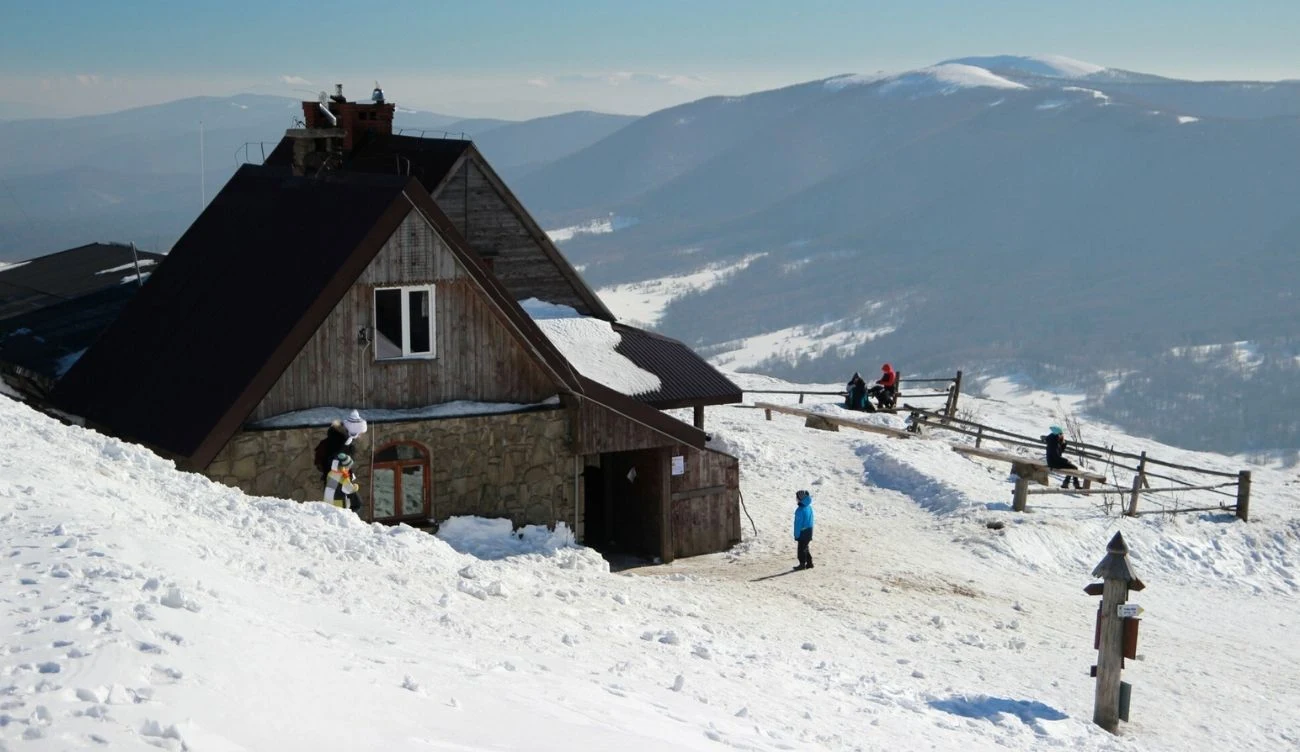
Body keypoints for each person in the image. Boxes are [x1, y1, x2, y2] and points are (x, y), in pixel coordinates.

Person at [313, 409, 368, 481]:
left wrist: (349, 474)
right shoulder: (338, 441)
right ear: (353, 432)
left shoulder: (346, 442)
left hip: (340, 478)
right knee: (331, 491)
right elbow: (334, 460)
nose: (360, 436)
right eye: (360, 433)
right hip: (335, 479)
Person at [1042, 425, 1082, 489]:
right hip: (1053, 463)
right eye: (1060, 433)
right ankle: (1073, 484)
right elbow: (1056, 457)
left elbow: (1059, 453)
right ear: (1057, 434)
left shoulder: (1054, 441)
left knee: (1072, 467)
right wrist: (1066, 461)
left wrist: (1063, 444)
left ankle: (1066, 483)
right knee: (1074, 468)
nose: (1062, 435)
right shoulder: (1053, 443)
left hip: (1054, 461)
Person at [792, 490, 815, 570]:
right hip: (809, 531)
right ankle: (809, 563)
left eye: (797, 498)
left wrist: (796, 534)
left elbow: (798, 524)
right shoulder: (809, 507)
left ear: (800, 499)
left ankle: (802, 564)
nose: (796, 499)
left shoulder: (800, 510)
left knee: (801, 549)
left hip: (802, 532)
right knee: (805, 547)